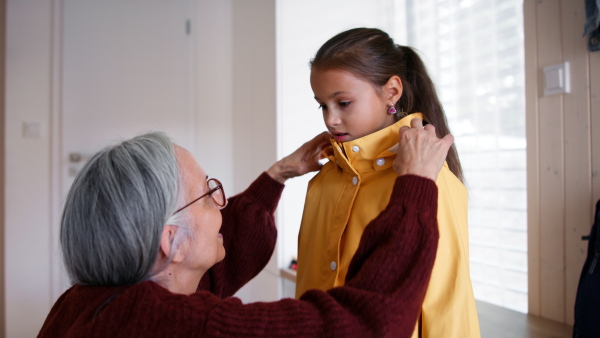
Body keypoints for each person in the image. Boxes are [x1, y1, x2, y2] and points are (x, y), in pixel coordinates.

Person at [38, 120, 451, 337]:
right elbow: (369, 324)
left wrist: (278, 175)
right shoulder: (178, 325)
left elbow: (222, 258)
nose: (223, 205)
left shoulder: (81, 304)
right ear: (171, 242)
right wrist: (415, 186)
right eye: (208, 194)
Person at [295, 27, 481, 338]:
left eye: (343, 103)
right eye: (322, 105)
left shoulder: (429, 180)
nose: (330, 120)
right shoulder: (322, 182)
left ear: (391, 92)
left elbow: (448, 304)